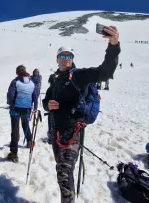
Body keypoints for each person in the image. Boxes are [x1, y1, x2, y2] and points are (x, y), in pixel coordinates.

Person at [42, 26, 120, 202]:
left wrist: (113, 45)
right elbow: (45, 101)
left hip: (73, 133)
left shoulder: (78, 76)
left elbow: (105, 72)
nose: (66, 58)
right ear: (57, 59)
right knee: (62, 169)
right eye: (63, 55)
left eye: (69, 56)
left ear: (73, 59)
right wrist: (48, 105)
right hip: (56, 132)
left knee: (63, 172)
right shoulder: (55, 80)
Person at [6, 65, 38, 162]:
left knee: (15, 130)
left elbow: (10, 95)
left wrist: (10, 103)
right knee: (25, 124)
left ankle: (14, 153)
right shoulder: (31, 83)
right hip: (27, 109)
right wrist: (35, 107)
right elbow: (35, 96)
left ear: (17, 72)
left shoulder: (15, 82)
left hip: (15, 109)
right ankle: (30, 141)